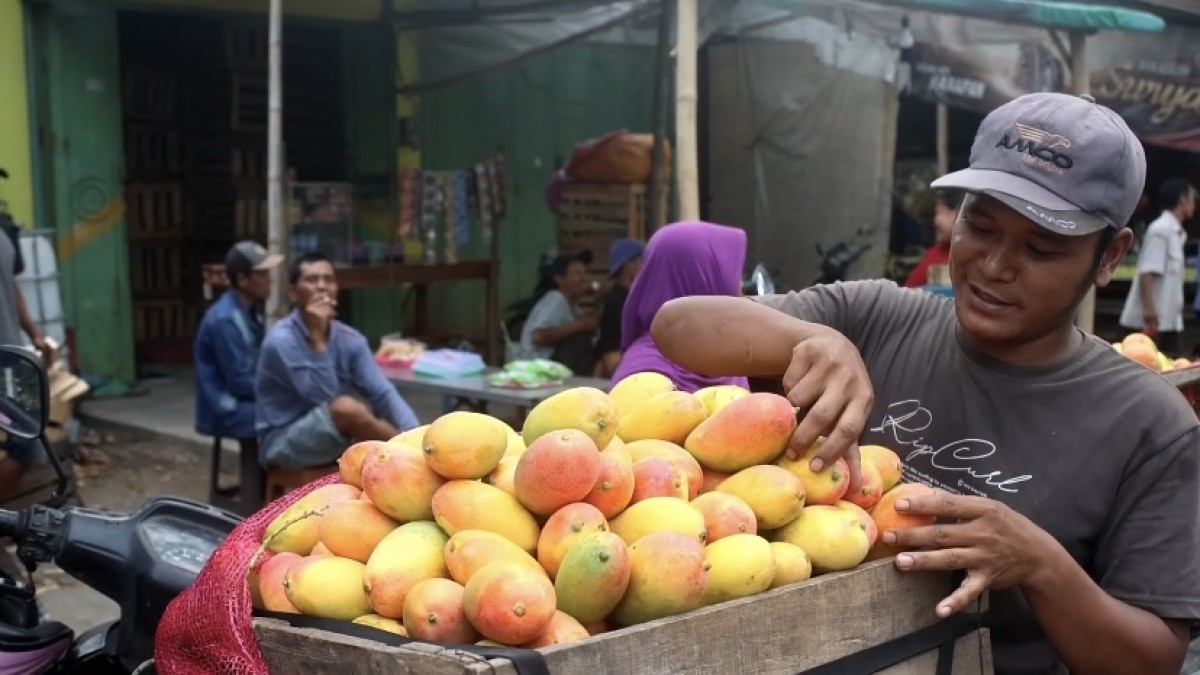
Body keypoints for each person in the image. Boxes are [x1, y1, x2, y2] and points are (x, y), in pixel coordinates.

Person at [650, 93, 1200, 674]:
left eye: (1041, 248)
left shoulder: (1152, 425)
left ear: (1109, 255)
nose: (994, 265)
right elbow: (675, 325)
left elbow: (1152, 661)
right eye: (979, 226)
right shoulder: (880, 317)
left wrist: (1041, 565)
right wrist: (810, 342)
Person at [255, 251, 420, 469]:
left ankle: (414, 450)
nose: (322, 286)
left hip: (333, 435)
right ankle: (411, 457)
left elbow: (382, 392)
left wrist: (417, 431)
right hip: (282, 441)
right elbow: (324, 397)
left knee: (368, 411)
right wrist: (317, 338)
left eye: (329, 280)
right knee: (347, 409)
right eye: (312, 280)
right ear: (294, 293)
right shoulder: (281, 340)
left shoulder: (350, 338)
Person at [611, 221, 750, 393]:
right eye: (730, 273)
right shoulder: (643, 380)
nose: (741, 285)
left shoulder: (732, 362)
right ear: (700, 280)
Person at [194, 241, 279, 445]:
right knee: (290, 417)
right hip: (227, 409)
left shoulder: (252, 312)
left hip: (244, 403)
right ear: (242, 279)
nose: (270, 281)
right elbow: (240, 383)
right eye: (262, 274)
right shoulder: (225, 320)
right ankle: (260, 477)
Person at [0, 208, 55, 500]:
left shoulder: (3, 226)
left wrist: (34, 334)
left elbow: (10, 283)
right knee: (28, 446)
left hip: (9, 361)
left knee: (29, 445)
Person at [1120, 177, 1195, 356]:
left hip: (1168, 321)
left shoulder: (1176, 233)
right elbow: (1148, 272)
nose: (1194, 205)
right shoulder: (1161, 230)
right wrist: (1149, 312)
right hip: (1150, 322)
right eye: (1192, 199)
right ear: (1182, 201)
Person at [518, 251, 598, 375]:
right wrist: (580, 325)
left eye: (584, 273)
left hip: (550, 363)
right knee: (582, 339)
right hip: (537, 365)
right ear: (560, 280)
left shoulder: (572, 306)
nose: (584, 279)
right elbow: (538, 336)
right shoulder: (556, 299)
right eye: (577, 274)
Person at [593, 238, 644, 378]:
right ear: (628, 266)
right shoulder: (619, 300)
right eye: (643, 261)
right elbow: (610, 349)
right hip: (619, 367)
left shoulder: (627, 295)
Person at [903, 189, 965, 288]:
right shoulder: (936, 254)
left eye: (945, 212)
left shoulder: (974, 258)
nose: (937, 221)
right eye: (937, 213)